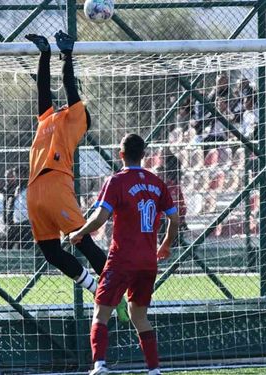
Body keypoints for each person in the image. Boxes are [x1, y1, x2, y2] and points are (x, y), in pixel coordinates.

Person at [24, 30, 128, 321]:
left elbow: (70, 88)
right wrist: (44, 56)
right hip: (35, 190)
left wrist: (67, 55)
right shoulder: (48, 119)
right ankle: (97, 289)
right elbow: (43, 91)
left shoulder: (74, 121)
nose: (68, 107)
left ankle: (117, 291)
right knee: (51, 253)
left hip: (56, 183)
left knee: (82, 241)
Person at [69, 134, 179, 375]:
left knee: (101, 311)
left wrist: (79, 232)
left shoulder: (116, 181)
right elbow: (174, 218)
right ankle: (154, 370)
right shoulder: (157, 183)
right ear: (143, 155)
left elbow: (99, 218)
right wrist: (166, 245)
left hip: (122, 260)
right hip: (148, 262)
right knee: (139, 316)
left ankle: (99, 365)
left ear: (121, 154)